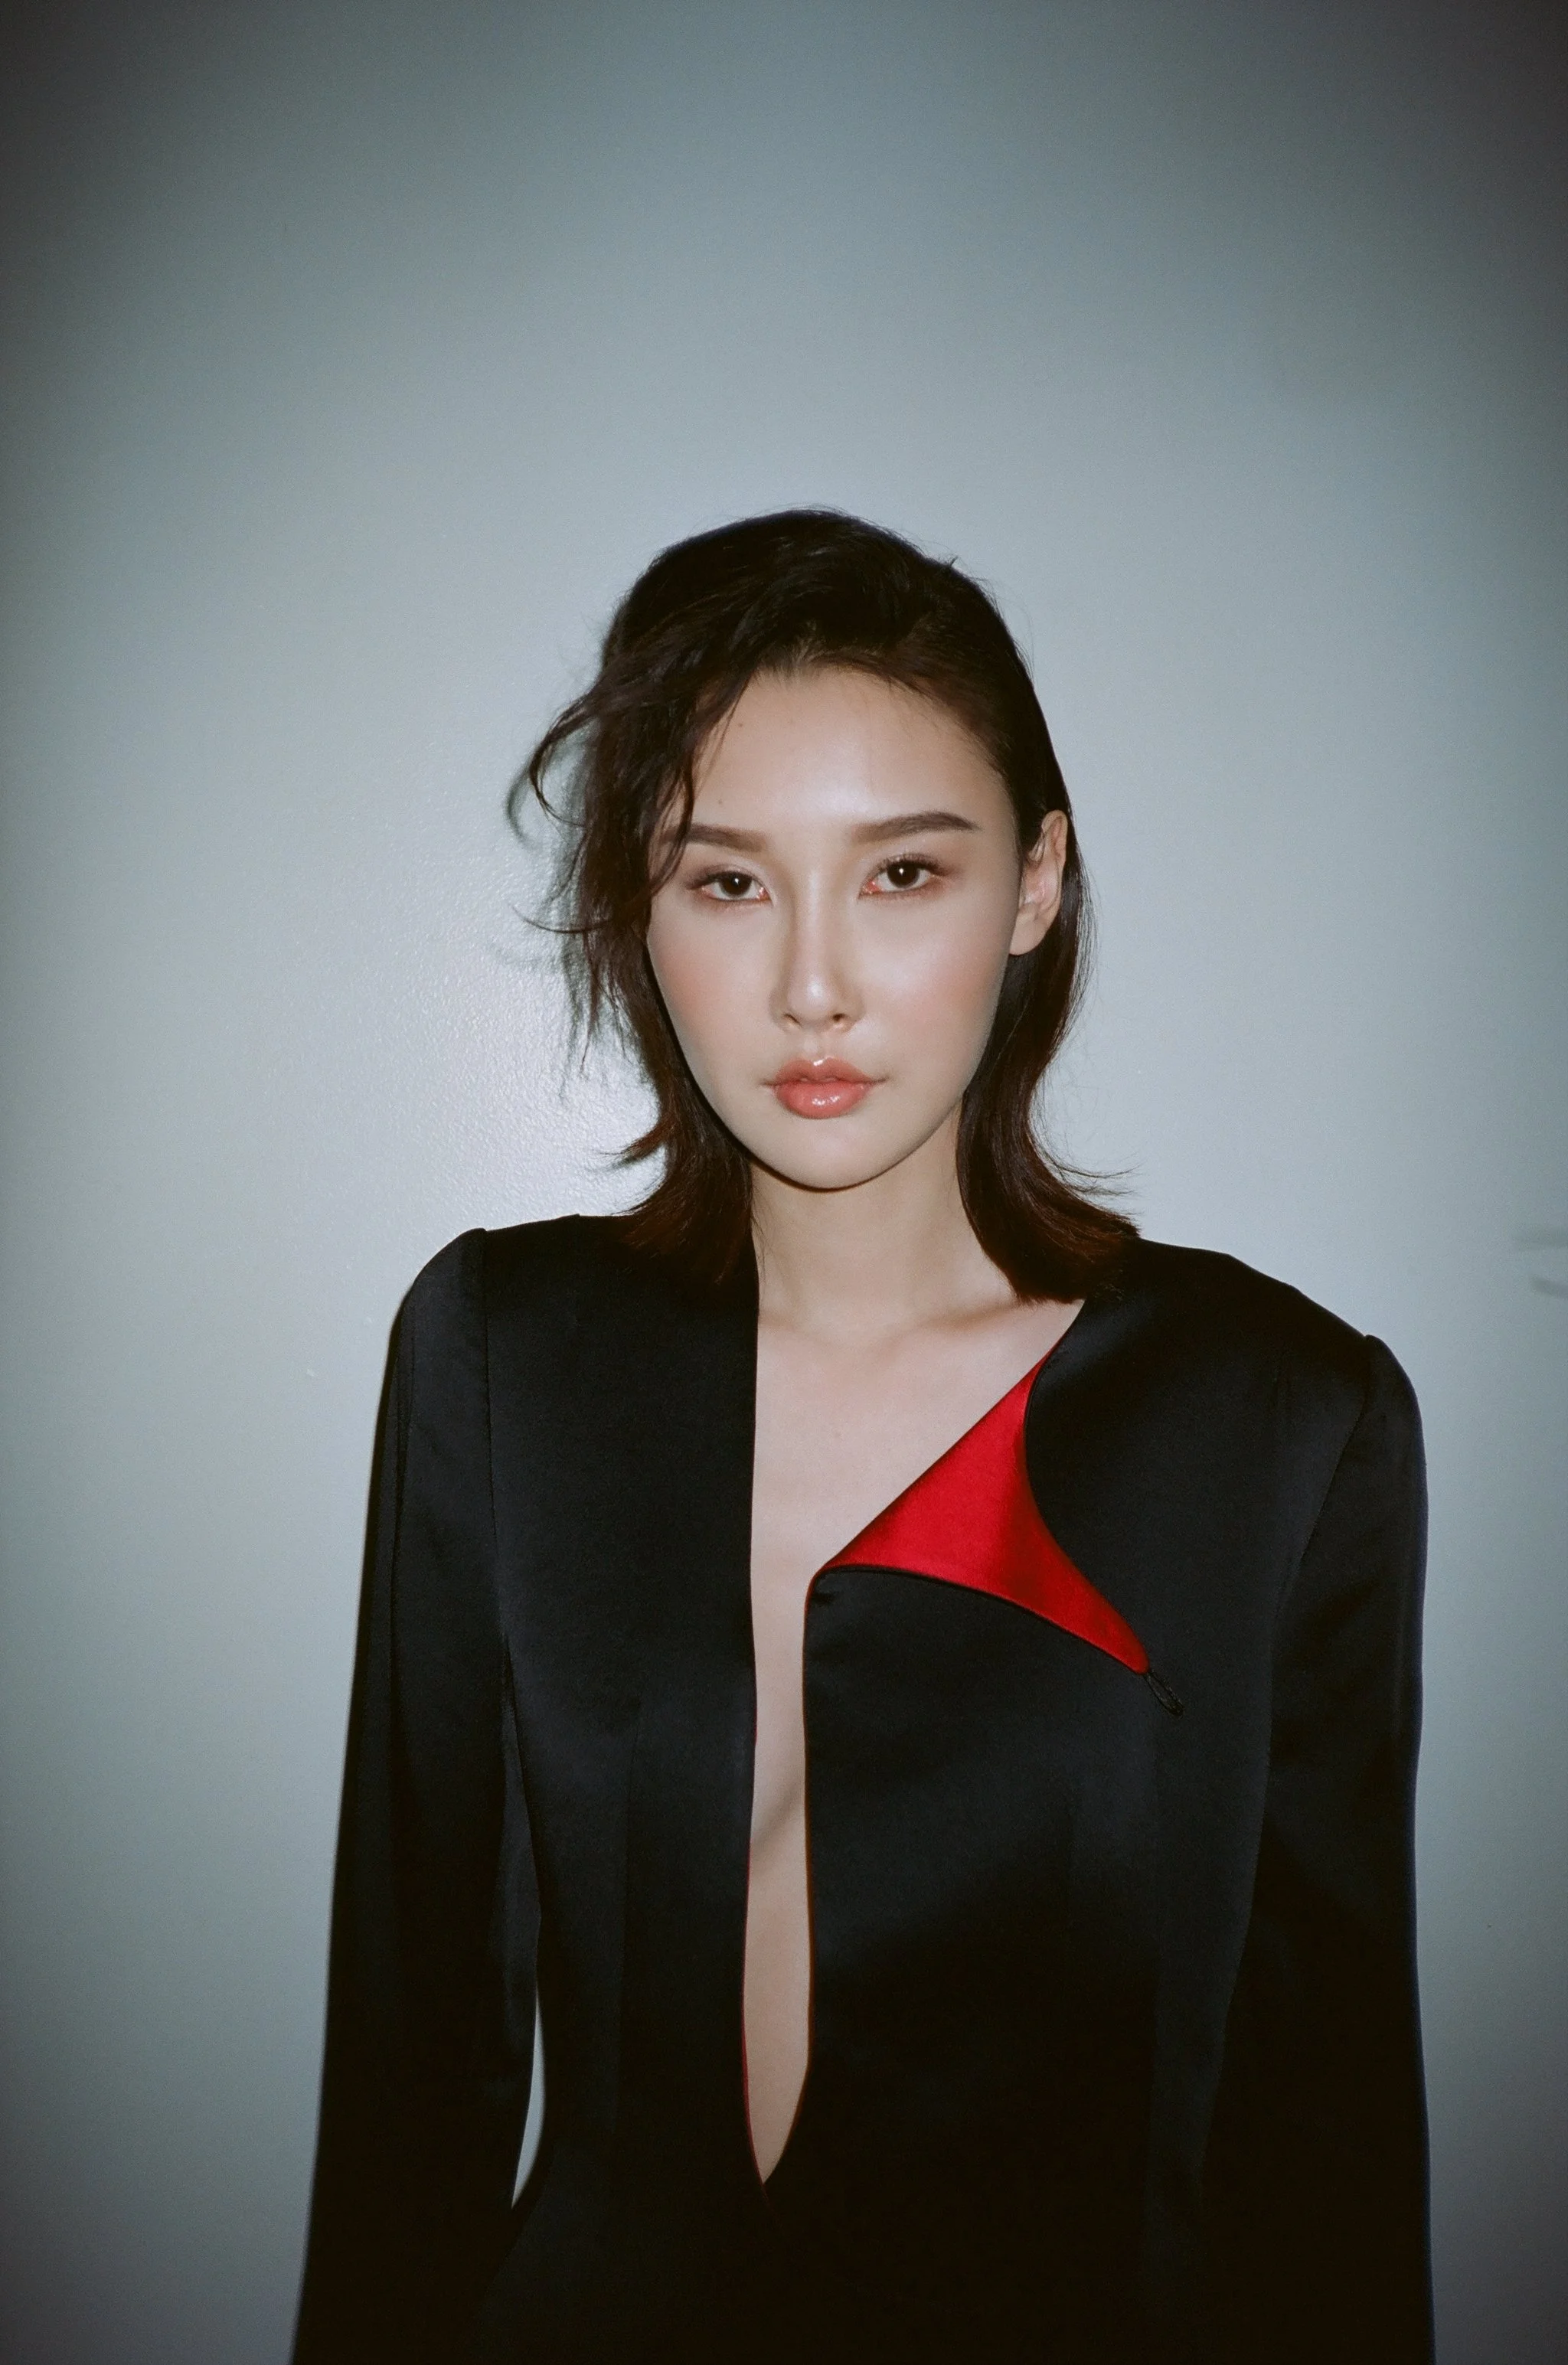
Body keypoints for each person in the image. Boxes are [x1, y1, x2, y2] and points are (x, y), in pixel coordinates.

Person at [292, 511, 1431, 2363]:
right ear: (638, 908)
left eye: (901, 872)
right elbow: (413, 2074)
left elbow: (1321, 2144)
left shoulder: (1279, 1417)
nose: (811, 984)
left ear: (1037, 881)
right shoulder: (503, 1355)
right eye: (727, 882)